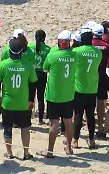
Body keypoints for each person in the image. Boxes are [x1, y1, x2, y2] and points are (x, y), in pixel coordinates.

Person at [0, 36, 38, 160]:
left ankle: (9, 153)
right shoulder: (28, 65)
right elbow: (33, 84)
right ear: (21, 51)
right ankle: (26, 153)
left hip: (8, 103)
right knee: (25, 128)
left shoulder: (3, 64)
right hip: (23, 103)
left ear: (9, 51)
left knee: (7, 128)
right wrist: (31, 100)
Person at [42, 30, 77, 158]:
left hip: (54, 95)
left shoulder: (52, 55)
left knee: (54, 123)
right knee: (68, 122)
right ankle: (68, 147)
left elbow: (45, 69)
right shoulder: (75, 56)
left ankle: (50, 150)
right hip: (68, 94)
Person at [70, 29, 103, 148]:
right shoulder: (98, 53)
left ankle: (75, 140)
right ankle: (91, 140)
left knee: (78, 114)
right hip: (92, 86)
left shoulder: (77, 51)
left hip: (79, 86)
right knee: (90, 115)